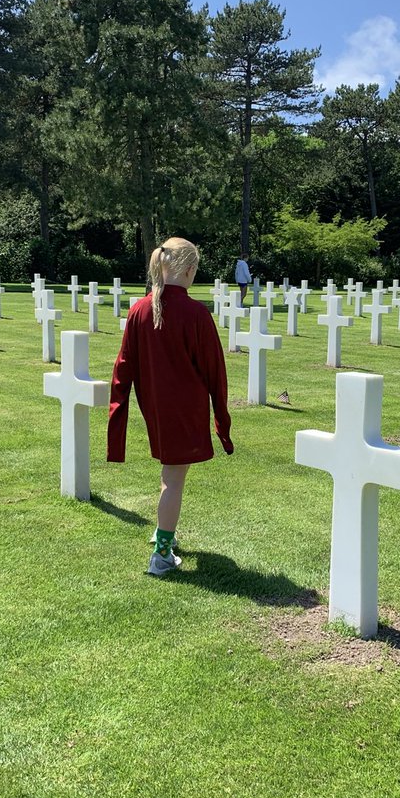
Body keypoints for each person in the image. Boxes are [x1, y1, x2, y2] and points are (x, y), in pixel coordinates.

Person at [108, 237, 234, 576]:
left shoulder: (139, 309)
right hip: (185, 409)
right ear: (190, 270)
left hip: (156, 407)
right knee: (173, 479)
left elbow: (123, 366)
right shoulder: (195, 313)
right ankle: (162, 554)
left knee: (170, 474)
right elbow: (214, 371)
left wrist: (117, 412)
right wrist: (222, 420)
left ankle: (164, 533)